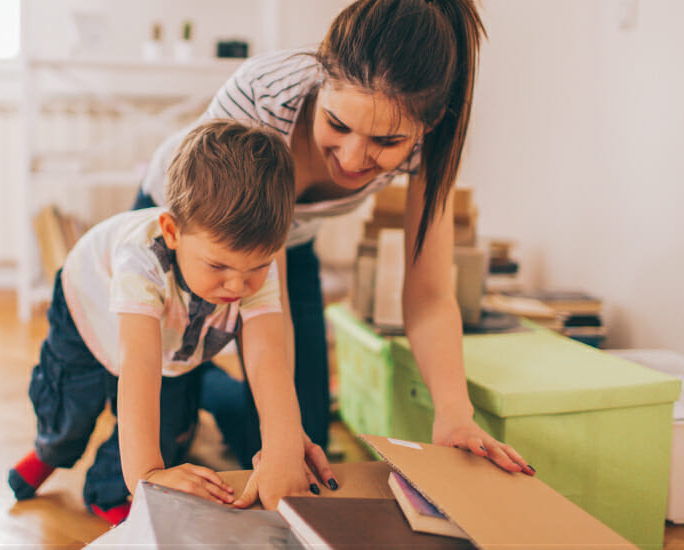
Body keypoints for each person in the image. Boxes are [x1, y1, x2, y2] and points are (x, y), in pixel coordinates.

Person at [135, 0, 535, 476]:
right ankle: (195, 375)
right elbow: (263, 310)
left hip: (290, 241)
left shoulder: (435, 141)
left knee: (307, 447)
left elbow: (428, 295)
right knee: (169, 429)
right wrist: (279, 427)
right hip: (195, 234)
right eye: (338, 125)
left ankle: (214, 389)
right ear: (320, 82)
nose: (350, 158)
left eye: (386, 142)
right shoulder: (263, 95)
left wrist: (453, 412)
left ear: (428, 125)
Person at [8, 120, 334, 525]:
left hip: (173, 340)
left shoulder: (253, 267)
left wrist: (284, 446)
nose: (238, 285)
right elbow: (139, 366)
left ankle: (107, 488)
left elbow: (268, 355)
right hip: (89, 314)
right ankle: (49, 451)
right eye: (218, 265)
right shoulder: (140, 260)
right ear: (172, 231)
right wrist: (146, 475)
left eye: (257, 267)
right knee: (72, 408)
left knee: (169, 432)